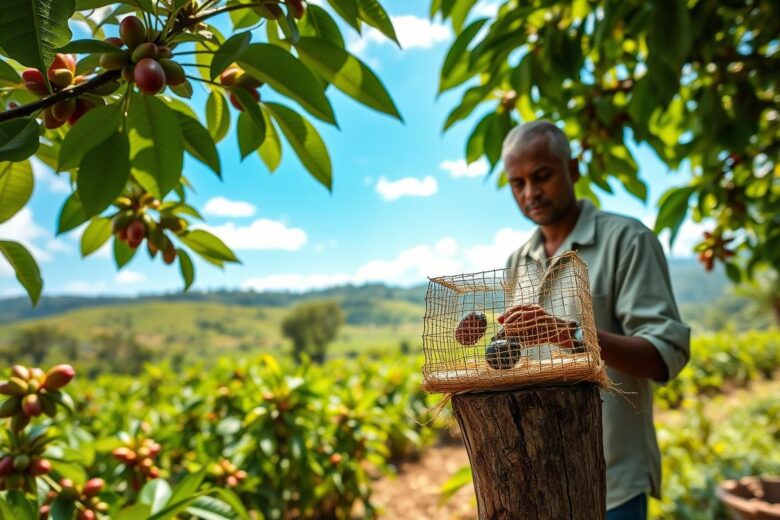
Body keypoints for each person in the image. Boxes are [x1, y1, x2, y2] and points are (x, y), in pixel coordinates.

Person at [497, 120, 691, 519]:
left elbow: (663, 355)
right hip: (539, 475)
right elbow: (514, 353)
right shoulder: (517, 262)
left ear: (573, 170)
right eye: (518, 183)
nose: (530, 192)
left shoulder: (628, 240)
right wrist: (486, 340)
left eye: (542, 176)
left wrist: (570, 334)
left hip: (611, 481)